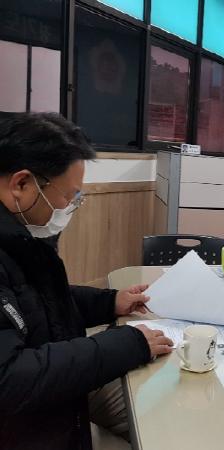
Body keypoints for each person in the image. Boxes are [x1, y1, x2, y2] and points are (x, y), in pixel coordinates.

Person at [0, 113, 173, 450]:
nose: (70, 207)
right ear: (21, 184)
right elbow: (10, 379)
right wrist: (128, 344)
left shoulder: (22, 235)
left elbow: (40, 301)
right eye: (70, 196)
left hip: (61, 402)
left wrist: (110, 302)